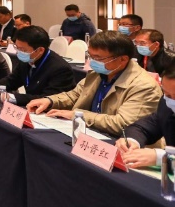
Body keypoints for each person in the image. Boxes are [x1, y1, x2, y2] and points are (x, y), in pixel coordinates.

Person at [26, 31, 161, 136]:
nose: (92, 62)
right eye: (90, 56)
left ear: (123, 59)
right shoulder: (97, 74)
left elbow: (124, 124)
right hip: (91, 133)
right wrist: (49, 101)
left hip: (122, 145)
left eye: (98, 58)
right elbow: (75, 95)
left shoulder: (143, 86)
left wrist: (79, 115)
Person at [0, 25, 77, 106]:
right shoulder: (28, 58)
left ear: (40, 50)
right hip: (31, 107)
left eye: (23, 49)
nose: (19, 52)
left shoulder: (60, 68)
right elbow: (13, 80)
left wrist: (12, 97)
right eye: (17, 47)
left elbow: (47, 98)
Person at [115, 62, 175, 169]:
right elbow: (142, 127)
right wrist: (131, 141)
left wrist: (161, 157)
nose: (171, 100)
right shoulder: (166, 104)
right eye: (167, 94)